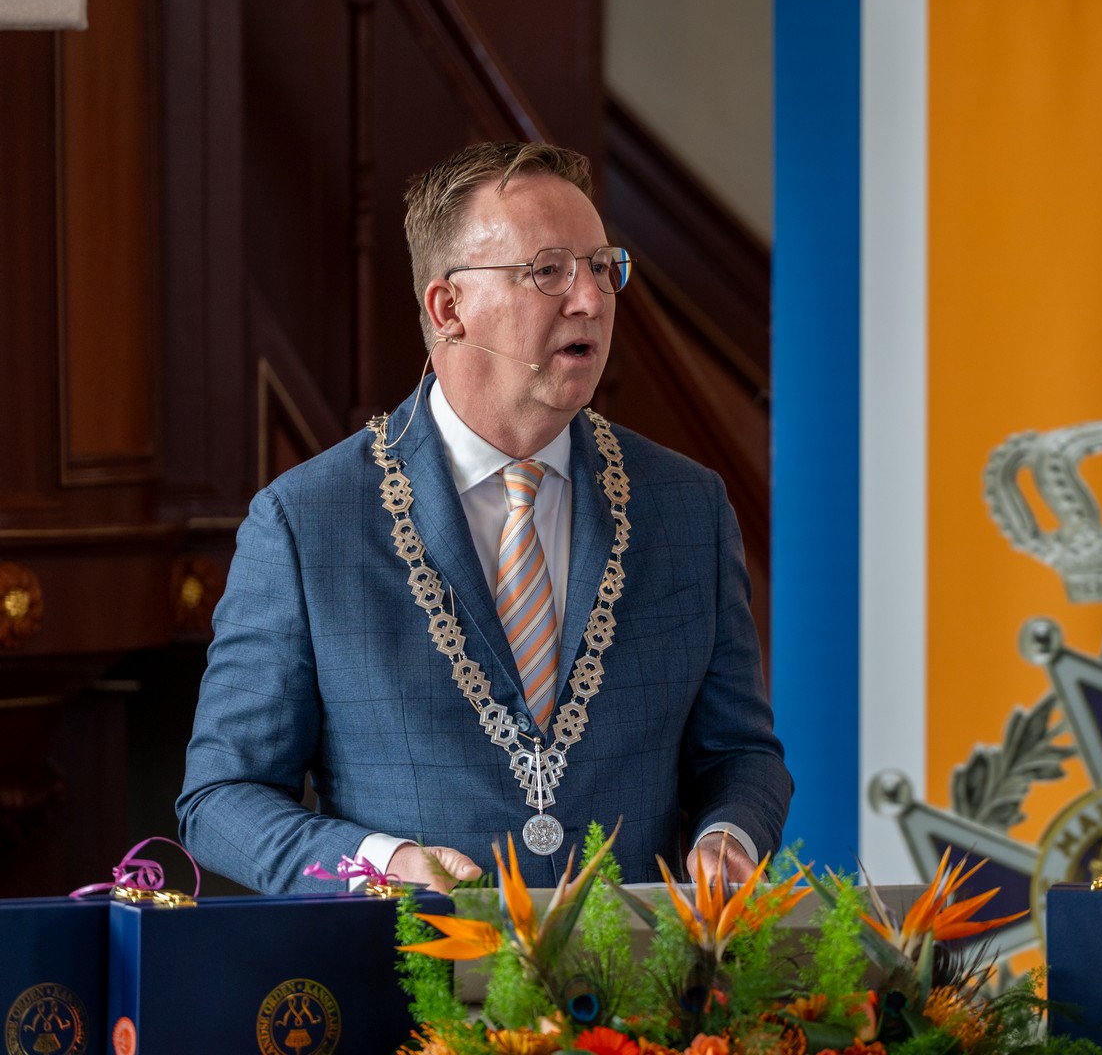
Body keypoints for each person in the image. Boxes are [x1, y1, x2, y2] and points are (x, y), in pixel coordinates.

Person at [177, 141, 792, 893]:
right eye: (549, 271)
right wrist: (384, 864)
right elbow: (222, 800)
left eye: (603, 267)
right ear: (449, 308)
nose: (592, 300)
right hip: (412, 962)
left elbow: (740, 756)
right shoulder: (306, 523)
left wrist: (729, 834)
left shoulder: (687, 506)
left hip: (639, 966)